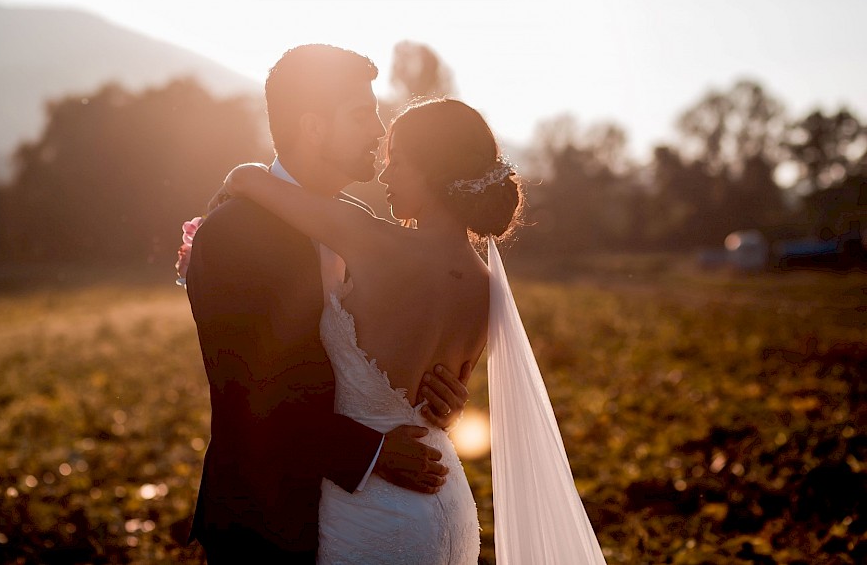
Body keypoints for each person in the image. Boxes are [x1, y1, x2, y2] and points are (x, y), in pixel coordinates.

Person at [221, 97, 609, 563]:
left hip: (370, 508)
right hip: (447, 504)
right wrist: (449, 408)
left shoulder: (370, 239)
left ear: (434, 172)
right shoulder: (488, 287)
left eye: (396, 162)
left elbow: (244, 180)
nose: (383, 177)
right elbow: (444, 402)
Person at [182, 44, 473, 564]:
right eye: (363, 115)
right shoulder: (233, 232)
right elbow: (247, 391)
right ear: (314, 127)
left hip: (366, 522)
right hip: (268, 527)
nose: (379, 132)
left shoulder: (357, 219)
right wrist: (373, 450)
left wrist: (431, 397)